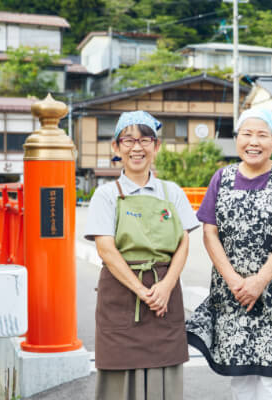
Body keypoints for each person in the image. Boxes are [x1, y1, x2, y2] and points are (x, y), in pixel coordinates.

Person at [186, 109, 272, 400]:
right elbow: (209, 232)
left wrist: (260, 280)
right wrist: (235, 281)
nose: (254, 142)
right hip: (231, 291)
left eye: (262, 135)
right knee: (240, 374)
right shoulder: (221, 178)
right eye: (247, 134)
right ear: (237, 139)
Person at [84, 111, 199, 400]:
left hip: (165, 292)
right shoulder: (106, 195)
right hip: (122, 296)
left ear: (156, 146)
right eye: (129, 140)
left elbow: (183, 242)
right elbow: (105, 249)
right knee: (119, 379)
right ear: (116, 147)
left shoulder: (171, 193)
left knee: (165, 375)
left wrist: (166, 286)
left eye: (145, 140)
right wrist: (143, 291)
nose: (137, 147)